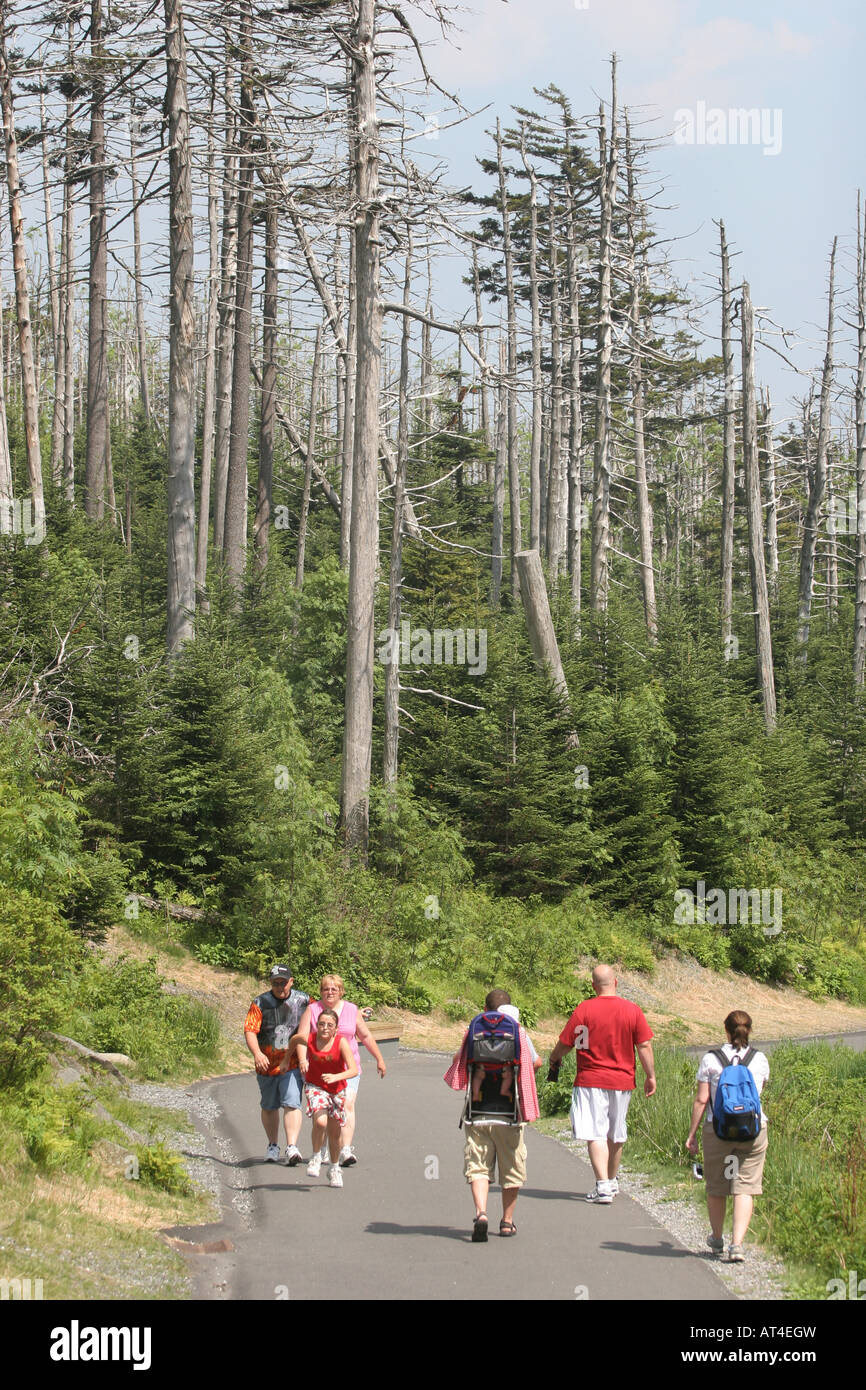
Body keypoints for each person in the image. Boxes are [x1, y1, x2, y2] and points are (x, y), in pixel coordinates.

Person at [547, 964, 655, 1203]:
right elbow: (644, 1045)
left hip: (590, 1079)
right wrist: (650, 1075)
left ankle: (603, 1185)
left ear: (593, 986)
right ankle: (612, 1181)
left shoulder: (585, 1009)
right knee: (615, 1132)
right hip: (622, 1079)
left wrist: (555, 1058)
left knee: (595, 1132)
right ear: (615, 982)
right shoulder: (632, 1010)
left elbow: (567, 1042)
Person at [444, 989, 542, 1242]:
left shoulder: (473, 1029)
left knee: (478, 1166)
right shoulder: (518, 1030)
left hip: (477, 1111)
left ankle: (481, 1213)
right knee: (511, 1167)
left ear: (485, 1007)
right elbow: (535, 1062)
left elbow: (459, 1060)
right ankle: (507, 1222)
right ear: (509, 1007)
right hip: (510, 1112)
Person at [686, 1011, 770, 1263]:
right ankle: (737, 1245)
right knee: (744, 1186)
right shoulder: (760, 1059)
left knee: (717, 1186)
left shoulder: (711, 1060)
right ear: (749, 1030)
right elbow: (758, 1094)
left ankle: (716, 1238)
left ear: (726, 1030)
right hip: (752, 1131)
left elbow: (702, 1100)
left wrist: (691, 1135)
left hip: (718, 1129)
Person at [295, 974, 386, 1167]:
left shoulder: (352, 1010)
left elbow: (366, 1036)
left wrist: (379, 1058)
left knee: (347, 1104)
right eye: (326, 989)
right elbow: (302, 1038)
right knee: (324, 1112)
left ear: (341, 992)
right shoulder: (312, 1010)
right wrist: (303, 1059)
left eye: (334, 989)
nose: (329, 992)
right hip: (319, 1070)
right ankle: (324, 1148)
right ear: (320, 992)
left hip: (347, 1069)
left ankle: (345, 1149)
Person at [243, 964, 310, 1165]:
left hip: (291, 1063)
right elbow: (250, 1030)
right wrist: (256, 1054)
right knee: (269, 1105)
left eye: (283, 982)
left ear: (291, 981)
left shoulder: (304, 1000)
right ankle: (273, 1145)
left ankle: (292, 1146)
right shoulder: (260, 1002)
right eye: (275, 983)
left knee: (292, 1102)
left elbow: (326, 1011)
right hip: (267, 1063)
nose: (279, 986)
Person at [293, 1008, 358, 1188]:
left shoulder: (341, 1042)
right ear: (317, 1026)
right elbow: (295, 1040)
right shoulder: (311, 1038)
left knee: (334, 1134)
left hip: (337, 1090)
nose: (325, 1028)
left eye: (330, 1025)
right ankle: (315, 1157)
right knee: (320, 1122)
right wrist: (299, 1060)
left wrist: (336, 1077)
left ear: (336, 1028)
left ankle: (334, 1168)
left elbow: (353, 1070)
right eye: (321, 1024)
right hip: (316, 1086)